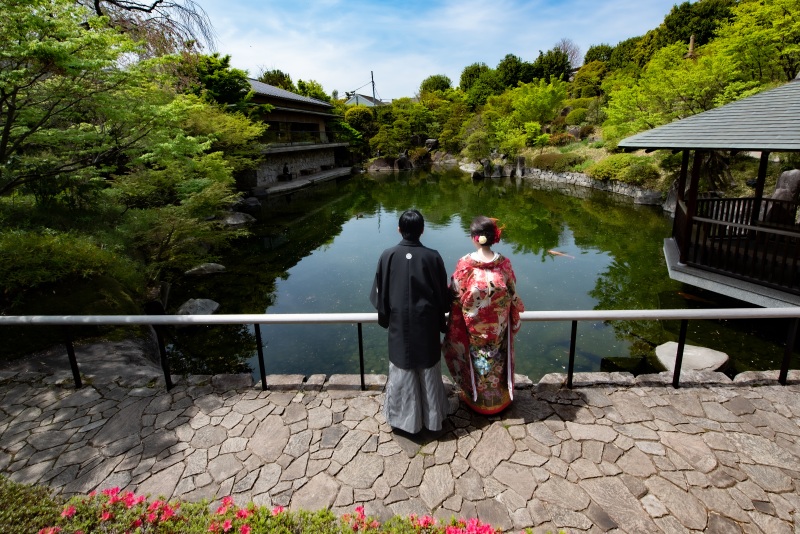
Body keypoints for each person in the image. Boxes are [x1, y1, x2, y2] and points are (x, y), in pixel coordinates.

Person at [370, 209, 450, 434]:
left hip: (399, 324)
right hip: (426, 324)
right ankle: (432, 420)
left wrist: (387, 315)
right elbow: (443, 296)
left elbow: (379, 293)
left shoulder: (388, 255)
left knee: (402, 369)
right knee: (428, 369)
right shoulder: (433, 256)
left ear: (399, 229)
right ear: (422, 231)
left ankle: (404, 421)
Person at [443, 216, 524, 415]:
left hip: (474, 327)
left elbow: (454, 292)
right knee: (497, 360)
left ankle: (477, 400)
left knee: (477, 362)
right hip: (498, 327)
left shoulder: (465, 265)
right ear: (493, 238)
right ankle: (499, 399)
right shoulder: (504, 264)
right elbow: (512, 292)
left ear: (473, 238)